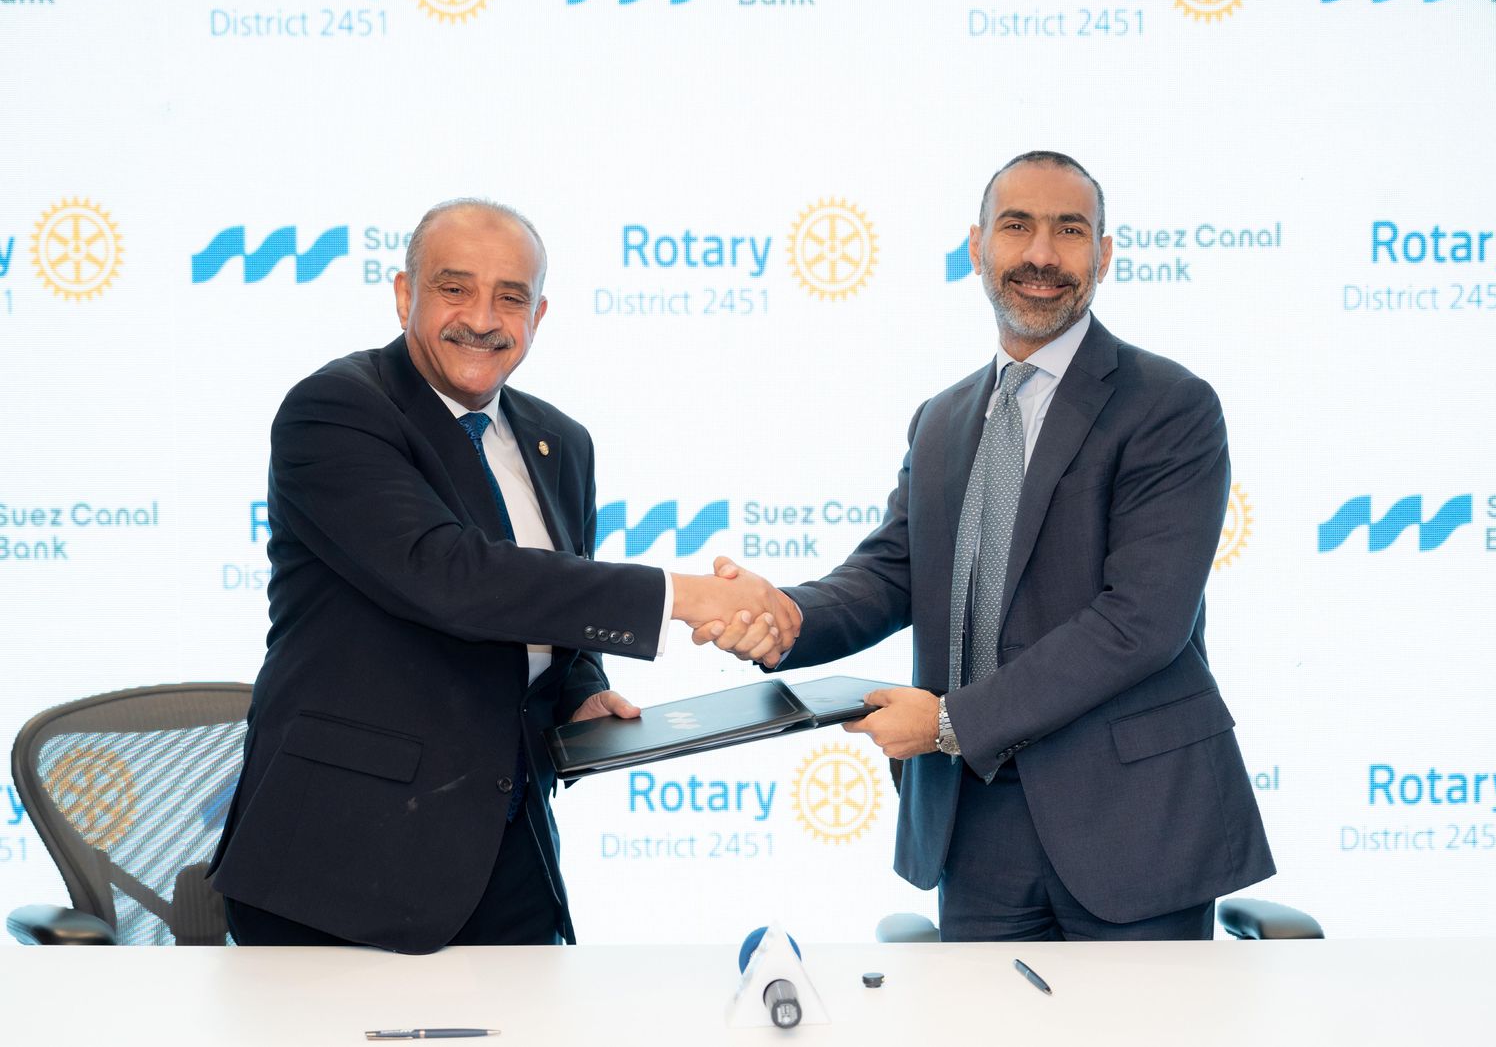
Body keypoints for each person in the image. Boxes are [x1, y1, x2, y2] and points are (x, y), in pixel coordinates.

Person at [703, 152, 1274, 941]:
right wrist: (783, 618)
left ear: (1103, 254)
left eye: (1069, 231)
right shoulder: (941, 419)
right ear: (977, 247)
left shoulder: (1170, 407)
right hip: (974, 827)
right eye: (1017, 226)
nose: (1042, 254)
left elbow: (1141, 621)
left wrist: (951, 722)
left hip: (1134, 824)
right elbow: (891, 574)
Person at [210, 198, 796, 954]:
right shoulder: (337, 409)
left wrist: (580, 695)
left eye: (511, 297)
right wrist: (682, 595)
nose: (482, 319)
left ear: (538, 315)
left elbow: (554, 610)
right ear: (404, 294)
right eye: (454, 288)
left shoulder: (562, 441)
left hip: (507, 853)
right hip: (339, 865)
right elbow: (450, 576)